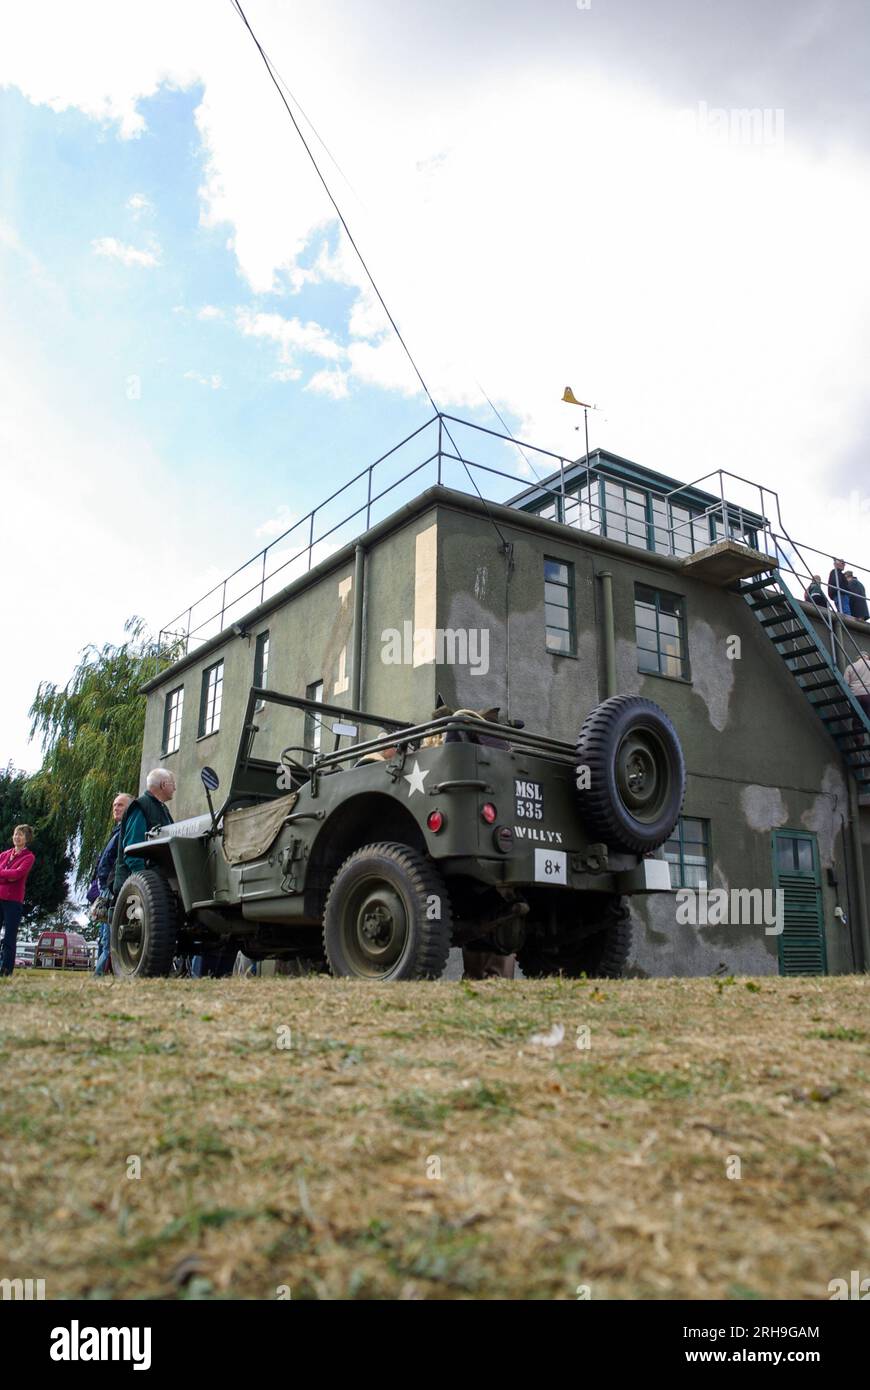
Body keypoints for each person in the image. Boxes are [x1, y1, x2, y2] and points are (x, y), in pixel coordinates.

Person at [113, 769, 176, 894]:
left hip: (156, 884)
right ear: (163, 785)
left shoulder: (162, 810)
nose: (175, 788)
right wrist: (146, 885)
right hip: (139, 890)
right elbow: (132, 850)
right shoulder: (141, 806)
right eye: (172, 784)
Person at [92, 792, 132, 976]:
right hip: (104, 888)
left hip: (113, 888)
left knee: (109, 939)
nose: (115, 808)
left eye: (120, 805)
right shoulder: (116, 831)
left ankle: (99, 975)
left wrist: (107, 885)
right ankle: (101, 974)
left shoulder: (127, 831)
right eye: (115, 805)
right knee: (103, 937)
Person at [0, 825, 36, 977]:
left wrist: (3, 875)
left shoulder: (29, 857)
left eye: (20, 835)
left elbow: (18, 874)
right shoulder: (4, 855)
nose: (17, 837)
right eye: (15, 834)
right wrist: (7, 875)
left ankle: (6, 970)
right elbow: (10, 875)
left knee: (9, 936)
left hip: (13, 901)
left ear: (27, 839)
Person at [844, 655, 870, 734]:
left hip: (855, 695)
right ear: (867, 657)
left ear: (858, 658)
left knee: (857, 720)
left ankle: (859, 742)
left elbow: (845, 682)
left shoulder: (850, 666)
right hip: (868, 694)